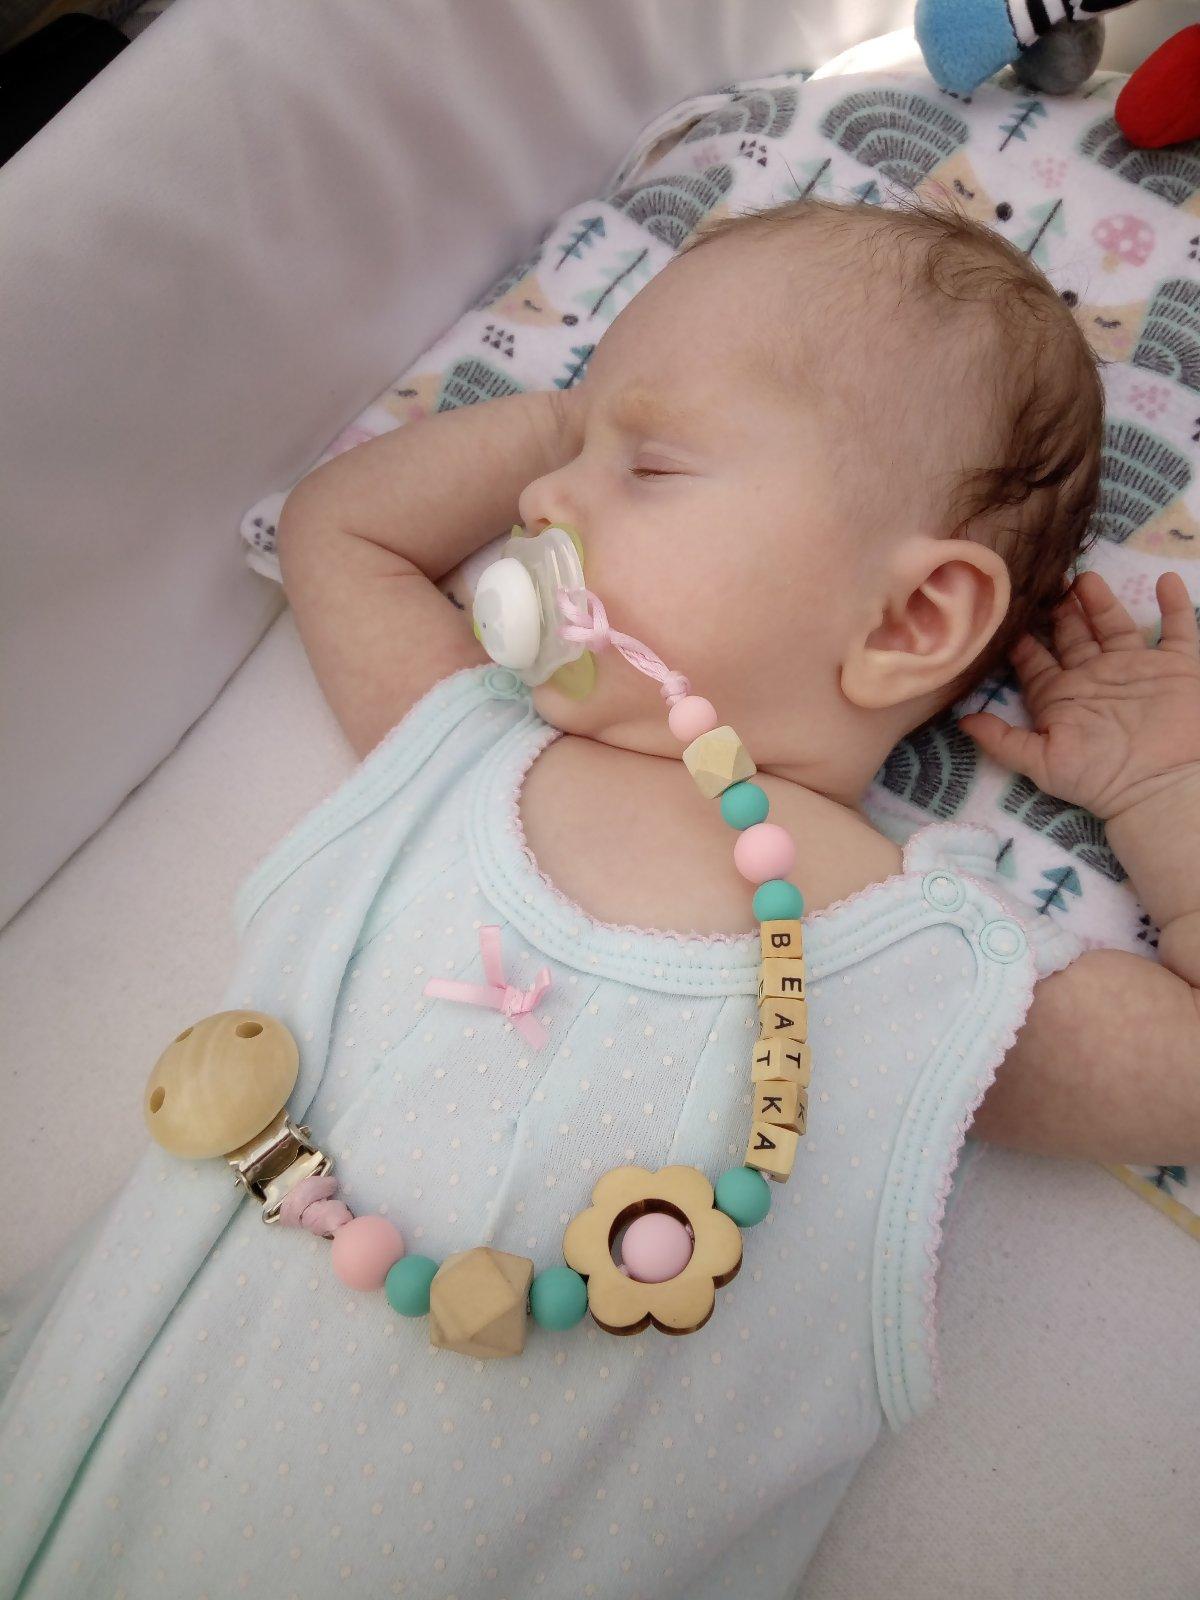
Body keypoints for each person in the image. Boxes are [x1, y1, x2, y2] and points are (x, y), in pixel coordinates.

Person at [3, 198, 1198, 1600]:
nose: (540, 503)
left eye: (654, 461)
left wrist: (1164, 786)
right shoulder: (460, 742)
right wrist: (575, 420)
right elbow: (346, 531)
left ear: (910, 620)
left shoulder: (927, 972)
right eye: (562, 458)